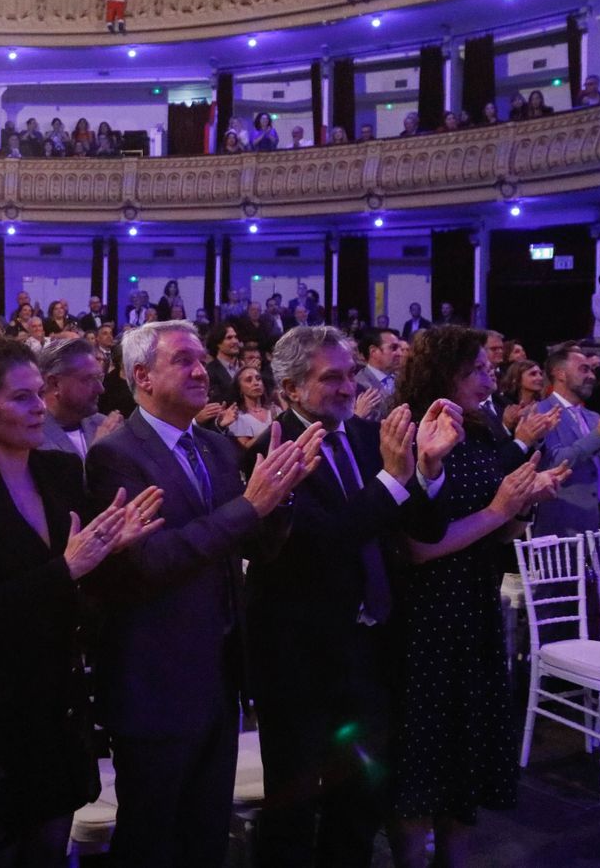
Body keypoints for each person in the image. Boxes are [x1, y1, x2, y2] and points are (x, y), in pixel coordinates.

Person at [0, 338, 161, 862]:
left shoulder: (61, 472)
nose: (38, 408)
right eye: (20, 398)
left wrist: (111, 551)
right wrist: (66, 567)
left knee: (49, 851)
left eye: (38, 395)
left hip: (53, 701)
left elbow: (83, 589)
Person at [84, 320, 320, 868]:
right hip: (156, 680)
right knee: (151, 839)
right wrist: (251, 506)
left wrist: (280, 500)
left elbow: (256, 548)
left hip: (219, 675)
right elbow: (149, 563)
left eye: (200, 360)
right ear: (141, 376)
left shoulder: (214, 447)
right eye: (184, 361)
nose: (201, 371)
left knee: (205, 837)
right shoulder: (116, 456)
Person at [246, 326, 454, 868]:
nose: (345, 388)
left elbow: (423, 531)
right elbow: (324, 545)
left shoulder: (367, 437)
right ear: (290, 389)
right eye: (330, 377)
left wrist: (428, 471)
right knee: (293, 804)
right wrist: (392, 479)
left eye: (350, 375)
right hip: (301, 659)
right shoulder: (271, 451)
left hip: (369, 652)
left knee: (359, 799)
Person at [387, 327, 566, 867]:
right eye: (479, 370)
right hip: (426, 616)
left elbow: (499, 524)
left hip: (476, 603)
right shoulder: (415, 430)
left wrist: (525, 502)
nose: (492, 378)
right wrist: (500, 510)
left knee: (467, 751)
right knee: (424, 756)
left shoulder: (484, 428)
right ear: (446, 375)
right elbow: (419, 546)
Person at [531, 349, 600, 536]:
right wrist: (599, 437)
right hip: (565, 523)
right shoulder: (540, 412)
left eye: (591, 371)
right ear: (560, 373)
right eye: (584, 369)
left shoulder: (593, 416)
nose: (591, 376)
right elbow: (554, 463)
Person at [37, 337, 117, 467]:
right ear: (55, 383)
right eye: (89, 380)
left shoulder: (103, 424)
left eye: (99, 378)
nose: (100, 389)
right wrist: (95, 455)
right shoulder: (32, 436)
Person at [355, 327, 403, 421]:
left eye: (400, 348)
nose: (399, 353)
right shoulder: (358, 384)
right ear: (373, 352)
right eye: (393, 348)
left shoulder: (402, 379)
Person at [225, 364, 276, 449]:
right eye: (249, 380)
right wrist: (272, 428)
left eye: (258, 379)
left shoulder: (275, 410)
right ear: (240, 389)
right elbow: (246, 446)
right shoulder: (238, 417)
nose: (256, 383)